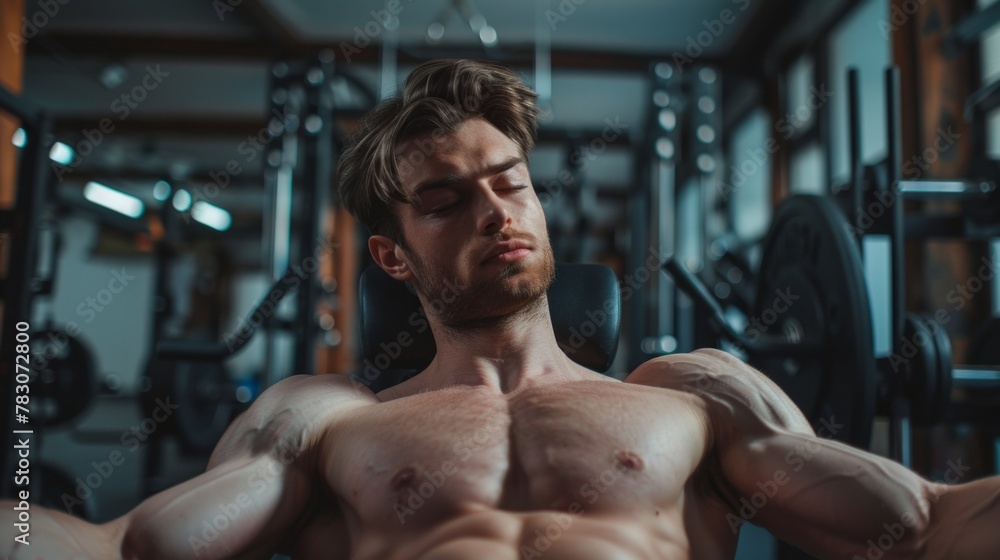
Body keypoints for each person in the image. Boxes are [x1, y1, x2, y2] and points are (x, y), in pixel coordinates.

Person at [3, 58, 999, 560]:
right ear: (391, 254)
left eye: (509, 183)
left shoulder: (691, 392)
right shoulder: (331, 414)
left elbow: (921, 518)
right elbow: (124, 547)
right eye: (445, 200)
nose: (493, 211)